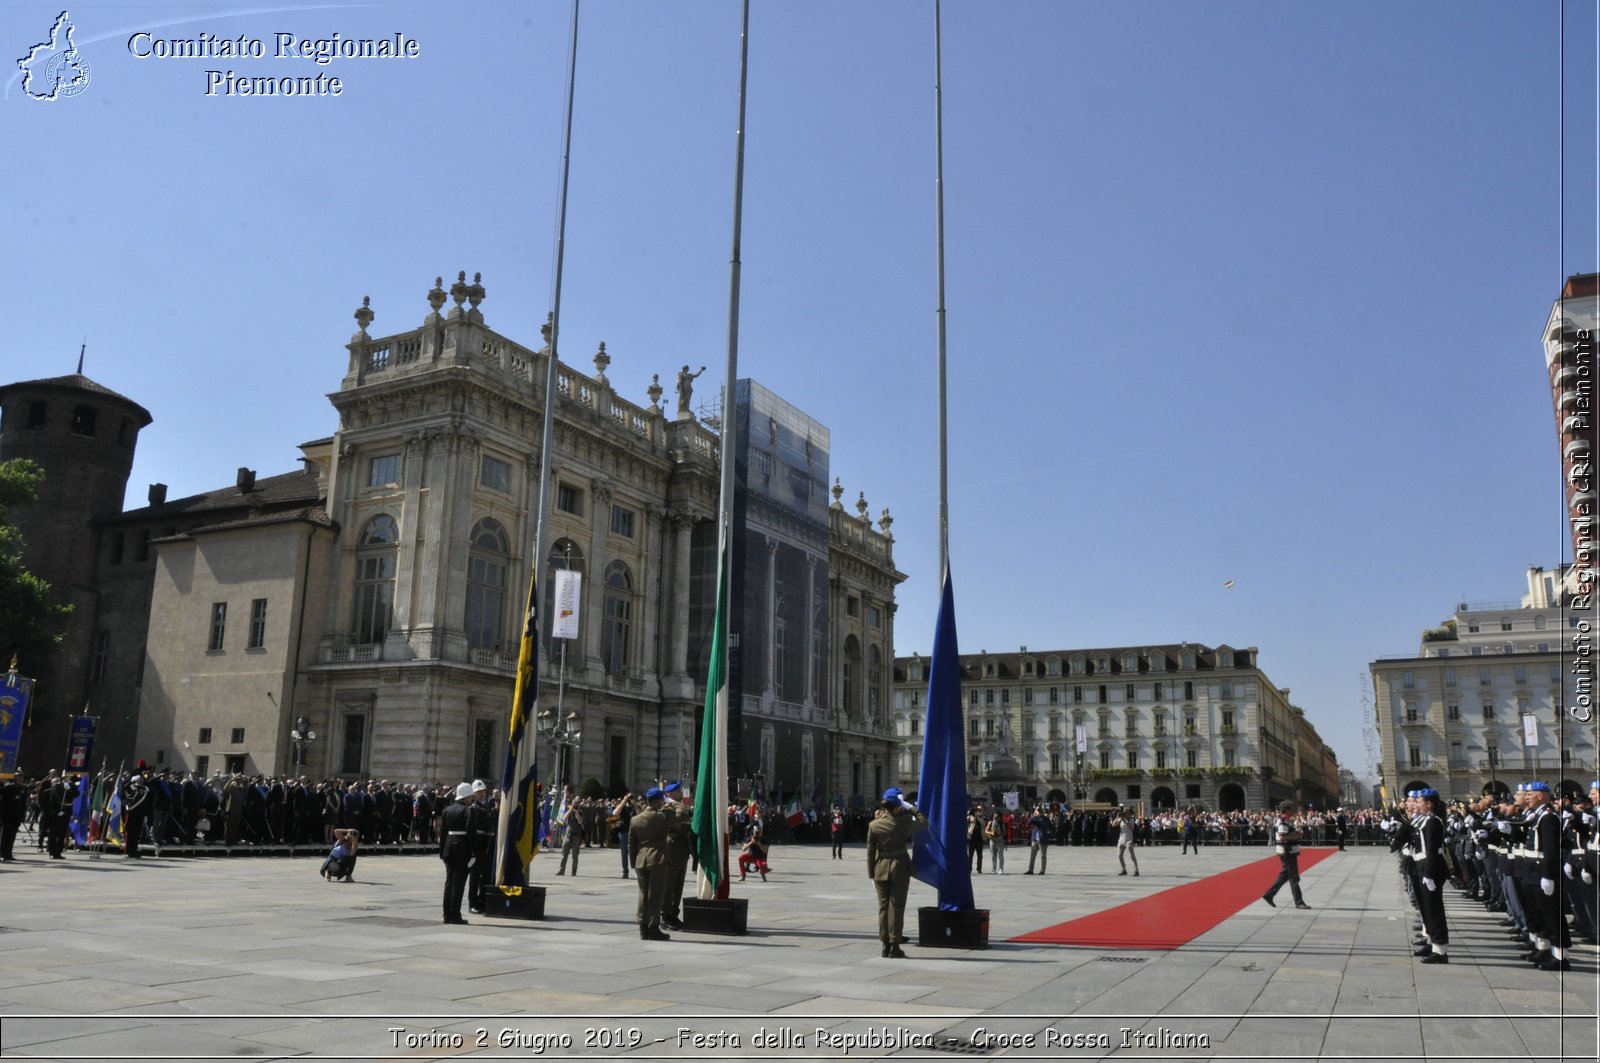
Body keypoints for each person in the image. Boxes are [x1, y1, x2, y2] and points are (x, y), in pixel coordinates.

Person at [867, 787, 928, 958]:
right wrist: (912, 808)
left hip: (880, 869)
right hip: (899, 867)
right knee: (897, 908)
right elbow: (924, 822)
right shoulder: (905, 822)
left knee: (883, 908)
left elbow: (870, 852)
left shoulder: (874, 825)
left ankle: (884, 945)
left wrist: (871, 873)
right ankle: (895, 945)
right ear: (897, 806)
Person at [628, 787, 671, 940]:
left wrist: (633, 862)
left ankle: (642, 928)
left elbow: (631, 844)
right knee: (655, 895)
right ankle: (653, 928)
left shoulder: (635, 819)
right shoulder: (663, 816)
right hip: (657, 859)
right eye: (661, 800)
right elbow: (681, 816)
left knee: (642, 895)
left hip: (641, 859)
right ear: (658, 801)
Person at [1411, 790, 1449, 963]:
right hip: (1422, 867)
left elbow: (1432, 851)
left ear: (1429, 804)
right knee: (1426, 909)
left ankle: (1440, 950)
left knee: (1434, 910)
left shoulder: (1433, 822)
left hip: (1430, 869)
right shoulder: (1424, 820)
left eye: (1420, 802)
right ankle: (1431, 942)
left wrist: (1429, 873)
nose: (1417, 804)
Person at [438, 782, 476, 925]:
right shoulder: (468, 811)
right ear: (466, 797)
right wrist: (473, 852)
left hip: (448, 846)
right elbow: (471, 833)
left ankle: (447, 914)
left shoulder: (447, 810)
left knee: (449, 882)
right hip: (462, 847)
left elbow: (442, 833)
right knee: (459, 883)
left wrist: (442, 851)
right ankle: (455, 915)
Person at [1261, 800, 1311, 909]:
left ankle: (1269, 894)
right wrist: (1296, 836)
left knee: (1285, 875)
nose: (1294, 810)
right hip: (1287, 852)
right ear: (1287, 809)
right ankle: (1299, 902)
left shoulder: (1286, 819)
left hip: (1289, 851)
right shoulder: (1283, 820)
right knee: (1294, 878)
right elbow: (1283, 836)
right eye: (1292, 808)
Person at [659, 781, 693, 931]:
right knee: (669, 885)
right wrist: (675, 803)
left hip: (680, 850)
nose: (681, 793)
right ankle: (665, 916)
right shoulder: (667, 807)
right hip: (671, 850)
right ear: (671, 794)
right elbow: (682, 817)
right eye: (678, 791)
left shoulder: (675, 806)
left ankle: (673, 914)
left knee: (678, 886)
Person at [612, 792, 635, 879]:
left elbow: (640, 813)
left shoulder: (634, 807)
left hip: (633, 833)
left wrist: (635, 803)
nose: (629, 799)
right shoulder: (622, 807)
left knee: (634, 853)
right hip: (623, 833)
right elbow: (615, 812)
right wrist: (624, 801)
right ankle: (625, 871)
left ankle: (637, 871)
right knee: (624, 853)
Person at [1114, 809, 1139, 876]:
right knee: (1119, 855)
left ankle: (1136, 870)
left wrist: (1124, 821)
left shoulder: (1131, 820)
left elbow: (1131, 828)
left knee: (1132, 856)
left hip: (1129, 840)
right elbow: (1113, 825)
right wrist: (1117, 817)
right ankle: (1124, 869)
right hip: (1121, 840)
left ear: (1129, 814)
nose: (1125, 814)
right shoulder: (1121, 819)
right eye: (1124, 813)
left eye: (1126, 813)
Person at [1025, 806, 1049, 875]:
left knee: (1043, 856)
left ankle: (1042, 870)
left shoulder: (1045, 819)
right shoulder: (1036, 818)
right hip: (1034, 840)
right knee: (1032, 856)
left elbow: (1043, 825)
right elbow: (1029, 823)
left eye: (1037, 812)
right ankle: (1030, 870)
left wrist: (1038, 817)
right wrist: (1034, 816)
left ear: (1040, 813)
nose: (1036, 813)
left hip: (1042, 840)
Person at [986, 809, 1006, 874]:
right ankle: (994, 869)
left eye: (997, 817)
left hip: (999, 841)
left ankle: (1001, 869)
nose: (996, 818)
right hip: (992, 840)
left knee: (1000, 855)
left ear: (1000, 817)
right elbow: (986, 831)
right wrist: (991, 833)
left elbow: (1005, 833)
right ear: (993, 817)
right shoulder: (990, 822)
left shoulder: (1002, 823)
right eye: (995, 817)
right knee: (993, 856)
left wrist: (999, 832)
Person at [966, 807, 985, 874]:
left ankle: (979, 869)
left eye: (978, 811)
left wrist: (977, 817)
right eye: (976, 811)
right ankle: (969, 869)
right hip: (971, 839)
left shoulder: (981, 818)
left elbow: (983, 823)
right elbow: (965, 822)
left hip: (979, 839)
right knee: (970, 855)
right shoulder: (970, 817)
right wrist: (969, 815)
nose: (977, 812)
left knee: (979, 855)